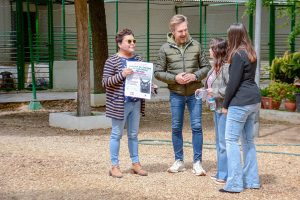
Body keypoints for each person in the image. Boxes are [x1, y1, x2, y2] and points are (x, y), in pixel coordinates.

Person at [154, 14, 211, 175]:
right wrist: (175, 78)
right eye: (180, 31)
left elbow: (206, 67)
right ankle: (179, 161)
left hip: (195, 93)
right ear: (172, 31)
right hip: (176, 94)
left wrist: (195, 76)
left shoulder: (196, 46)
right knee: (176, 127)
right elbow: (158, 72)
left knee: (197, 127)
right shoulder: (165, 49)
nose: (184, 33)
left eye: (185, 29)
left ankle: (197, 163)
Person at [219, 23, 261, 193]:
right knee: (248, 141)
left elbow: (233, 83)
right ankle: (252, 180)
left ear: (233, 37)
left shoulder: (237, 54)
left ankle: (235, 183)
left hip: (240, 102)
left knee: (231, 141)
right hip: (254, 100)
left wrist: (225, 105)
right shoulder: (251, 52)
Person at [102, 28, 148, 178]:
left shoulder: (139, 59)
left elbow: (143, 79)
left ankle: (136, 164)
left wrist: (149, 86)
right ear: (120, 44)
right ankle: (114, 166)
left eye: (134, 41)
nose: (132, 43)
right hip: (119, 103)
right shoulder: (112, 60)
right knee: (116, 134)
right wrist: (121, 75)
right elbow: (105, 83)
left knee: (134, 134)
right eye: (129, 41)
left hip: (136, 103)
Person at [196, 38, 229, 184]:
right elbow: (212, 86)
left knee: (223, 142)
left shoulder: (226, 68)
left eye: (211, 48)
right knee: (218, 141)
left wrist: (213, 91)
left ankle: (225, 174)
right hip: (216, 108)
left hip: (224, 109)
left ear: (217, 51)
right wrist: (203, 91)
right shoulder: (213, 67)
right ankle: (221, 171)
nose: (209, 51)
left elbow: (229, 88)